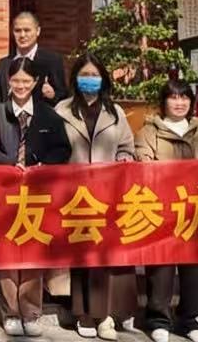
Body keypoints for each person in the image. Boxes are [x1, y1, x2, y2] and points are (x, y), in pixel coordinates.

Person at [0, 56, 72, 339]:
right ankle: (10, 312)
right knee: (7, 252)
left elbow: (63, 149)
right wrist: (10, 164)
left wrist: (42, 165)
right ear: (9, 82)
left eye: (26, 81)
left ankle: (31, 312)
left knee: (33, 251)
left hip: (37, 195)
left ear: (35, 83)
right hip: (5, 193)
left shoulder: (48, 115)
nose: (20, 86)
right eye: (16, 81)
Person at [54, 54, 136, 341]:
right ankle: (83, 314)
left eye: (94, 75)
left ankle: (106, 316)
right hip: (74, 195)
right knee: (81, 253)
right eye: (84, 74)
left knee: (105, 254)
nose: (89, 79)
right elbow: (54, 147)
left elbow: (127, 147)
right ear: (75, 78)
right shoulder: (62, 110)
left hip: (108, 193)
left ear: (103, 79)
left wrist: (124, 158)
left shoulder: (116, 113)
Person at [136, 79, 198, 342]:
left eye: (184, 98)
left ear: (191, 102)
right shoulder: (148, 133)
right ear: (163, 102)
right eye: (173, 97)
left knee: (194, 269)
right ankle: (158, 319)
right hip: (160, 211)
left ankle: (189, 321)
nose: (179, 103)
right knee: (160, 268)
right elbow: (143, 165)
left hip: (194, 211)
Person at [0, 12, 67, 107]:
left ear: (38, 31)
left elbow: (63, 97)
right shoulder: (3, 64)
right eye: (17, 31)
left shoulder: (52, 61)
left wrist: (52, 95)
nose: (22, 35)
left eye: (27, 30)